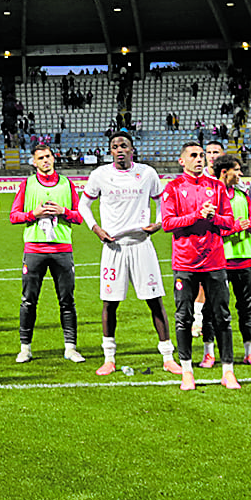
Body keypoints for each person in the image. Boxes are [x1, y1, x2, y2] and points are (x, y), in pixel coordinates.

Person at [82, 134, 175, 375]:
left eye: (124, 145)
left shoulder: (147, 173)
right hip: (113, 247)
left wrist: (158, 223)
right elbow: (83, 205)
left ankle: (167, 356)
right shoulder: (100, 175)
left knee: (155, 300)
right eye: (114, 147)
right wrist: (96, 229)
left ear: (132, 149)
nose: (119, 150)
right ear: (110, 152)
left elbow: (161, 201)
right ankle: (109, 358)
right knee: (110, 303)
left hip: (142, 244)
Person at [161, 143, 241, 390]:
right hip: (185, 264)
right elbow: (167, 223)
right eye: (193, 156)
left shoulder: (217, 187)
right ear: (182, 161)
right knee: (183, 317)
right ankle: (187, 371)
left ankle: (228, 371)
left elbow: (229, 222)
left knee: (222, 317)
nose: (199, 159)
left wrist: (212, 217)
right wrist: (196, 215)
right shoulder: (173, 188)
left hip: (215, 262)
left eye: (201, 155)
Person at [9, 143, 85, 363]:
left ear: (54, 158)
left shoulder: (66, 184)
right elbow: (14, 216)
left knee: (67, 301)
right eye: (40, 157)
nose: (45, 160)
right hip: (34, 249)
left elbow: (80, 217)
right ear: (33, 162)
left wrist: (64, 212)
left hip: (62, 249)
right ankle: (25, 348)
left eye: (48, 156)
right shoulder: (27, 184)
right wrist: (35, 213)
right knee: (28, 301)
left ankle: (70, 348)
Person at [201, 156, 251, 369]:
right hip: (218, 260)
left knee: (246, 309)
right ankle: (209, 353)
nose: (240, 174)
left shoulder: (242, 195)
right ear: (224, 172)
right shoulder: (210, 197)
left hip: (244, 259)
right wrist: (237, 227)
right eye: (237, 170)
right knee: (212, 309)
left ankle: (250, 352)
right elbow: (208, 227)